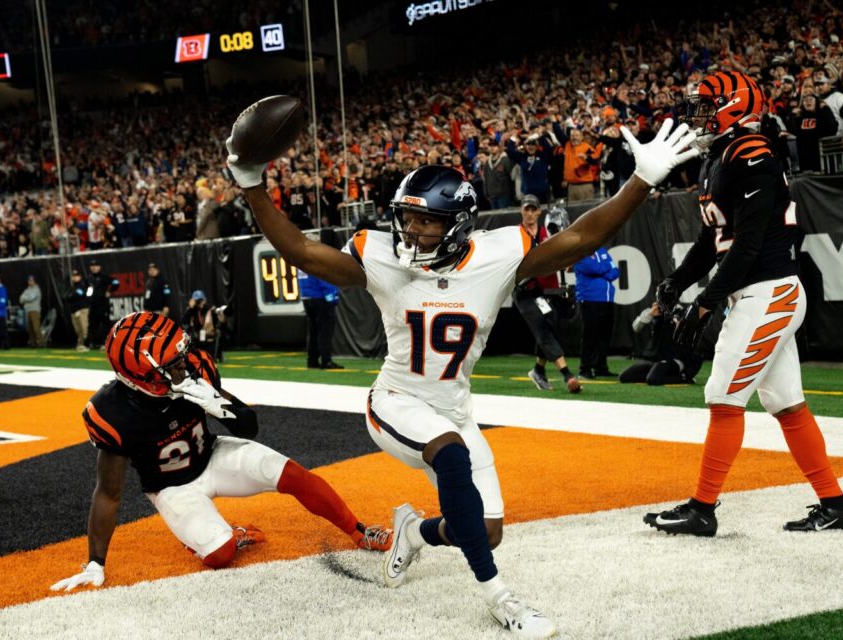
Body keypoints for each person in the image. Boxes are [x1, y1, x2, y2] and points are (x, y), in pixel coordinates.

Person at [227, 117, 698, 638]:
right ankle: (502, 599)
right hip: (395, 401)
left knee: (487, 530)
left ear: (458, 224)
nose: (410, 231)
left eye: (424, 222)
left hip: (453, 406)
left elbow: (583, 236)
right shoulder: (383, 259)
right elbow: (299, 250)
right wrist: (252, 184)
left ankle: (416, 531)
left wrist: (641, 181)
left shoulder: (496, 257)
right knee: (450, 454)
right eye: (405, 219)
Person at [645, 71, 843, 538]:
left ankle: (702, 509)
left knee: (723, 396)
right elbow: (712, 240)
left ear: (733, 105)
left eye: (705, 106)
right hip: (758, 292)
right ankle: (836, 505)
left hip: (770, 290)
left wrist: (705, 301)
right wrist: (676, 282)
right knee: (786, 405)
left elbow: (747, 246)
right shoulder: (719, 157)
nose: (695, 116)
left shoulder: (752, 152)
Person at [50, 311, 392, 592]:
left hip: (212, 454)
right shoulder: (110, 413)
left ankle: (359, 532)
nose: (184, 366)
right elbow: (108, 494)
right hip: (171, 486)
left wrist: (219, 406)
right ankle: (226, 535)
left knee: (293, 475)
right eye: (171, 365)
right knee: (220, 552)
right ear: (139, 376)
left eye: (181, 356)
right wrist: (96, 561)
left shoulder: (195, 367)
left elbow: (248, 426)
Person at [512, 195, 581, 393]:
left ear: (539, 211)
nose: (530, 213)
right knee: (542, 327)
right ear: (521, 211)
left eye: (534, 209)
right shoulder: (516, 235)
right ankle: (567, 375)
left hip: (544, 289)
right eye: (527, 209)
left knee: (550, 322)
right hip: (524, 291)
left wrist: (567, 261)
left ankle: (538, 370)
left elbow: (560, 254)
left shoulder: (547, 234)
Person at [619, 303, 702, 385]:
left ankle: (684, 378)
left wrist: (676, 320)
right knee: (625, 377)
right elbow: (636, 327)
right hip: (655, 358)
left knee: (653, 380)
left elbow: (688, 329)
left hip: (674, 358)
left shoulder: (681, 312)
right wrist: (650, 314)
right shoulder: (653, 310)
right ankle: (658, 373)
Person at [573, 246, 620, 379]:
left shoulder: (602, 250)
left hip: (607, 299)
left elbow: (615, 271)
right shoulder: (580, 252)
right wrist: (606, 268)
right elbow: (591, 268)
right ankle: (585, 368)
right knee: (590, 335)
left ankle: (601, 367)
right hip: (589, 299)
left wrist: (603, 269)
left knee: (604, 336)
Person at [299, 268, 343, 370]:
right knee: (325, 331)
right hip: (321, 297)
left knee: (313, 330)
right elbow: (324, 276)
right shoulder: (315, 258)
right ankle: (326, 360)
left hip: (307, 297)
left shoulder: (301, 259)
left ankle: (312, 360)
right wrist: (332, 297)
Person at [182, 290, 225, 363]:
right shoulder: (192, 310)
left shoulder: (210, 309)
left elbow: (221, 322)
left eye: (201, 300)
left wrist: (220, 315)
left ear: (205, 300)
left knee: (208, 359)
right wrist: (190, 308)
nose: (200, 303)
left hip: (209, 339)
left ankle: (218, 353)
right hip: (197, 339)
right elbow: (184, 321)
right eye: (197, 301)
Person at [87, 259, 118, 349]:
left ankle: (107, 343)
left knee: (105, 325)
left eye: (96, 266)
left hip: (103, 305)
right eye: (92, 266)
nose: (94, 268)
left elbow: (116, 282)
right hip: (93, 305)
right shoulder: (89, 278)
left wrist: (110, 291)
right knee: (93, 325)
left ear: (99, 267)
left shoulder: (104, 277)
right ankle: (94, 343)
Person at [66, 270, 91, 352]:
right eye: (73, 276)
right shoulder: (72, 287)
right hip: (74, 310)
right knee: (78, 330)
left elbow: (78, 296)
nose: (75, 277)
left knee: (84, 328)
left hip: (82, 309)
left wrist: (72, 296)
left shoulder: (83, 285)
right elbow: (67, 297)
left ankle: (86, 345)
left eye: (76, 276)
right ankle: (80, 345)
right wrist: (72, 296)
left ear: (80, 277)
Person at [19, 275, 44, 348]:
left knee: (36, 328)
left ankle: (40, 343)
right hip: (27, 310)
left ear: (34, 281)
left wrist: (25, 298)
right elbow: (20, 299)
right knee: (30, 329)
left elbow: (31, 298)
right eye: (29, 280)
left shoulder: (37, 289)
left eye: (32, 280)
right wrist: (26, 298)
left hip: (35, 310)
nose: (30, 282)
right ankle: (33, 343)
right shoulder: (27, 290)